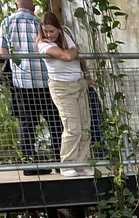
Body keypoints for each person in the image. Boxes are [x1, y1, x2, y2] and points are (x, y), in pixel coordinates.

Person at [0, 0, 62, 175]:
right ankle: (59, 161)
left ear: (15, 5)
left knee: (27, 124)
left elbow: (3, 53)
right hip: (45, 81)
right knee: (54, 122)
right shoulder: (38, 23)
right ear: (32, 6)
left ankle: (29, 164)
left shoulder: (7, 23)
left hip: (22, 82)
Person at [36, 10, 90, 176]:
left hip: (78, 83)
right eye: (45, 31)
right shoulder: (43, 44)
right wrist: (74, 50)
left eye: (52, 30)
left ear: (59, 28)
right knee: (72, 126)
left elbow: (77, 57)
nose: (48, 34)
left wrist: (86, 75)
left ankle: (82, 163)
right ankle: (67, 164)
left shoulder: (66, 33)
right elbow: (67, 56)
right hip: (61, 87)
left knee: (85, 125)